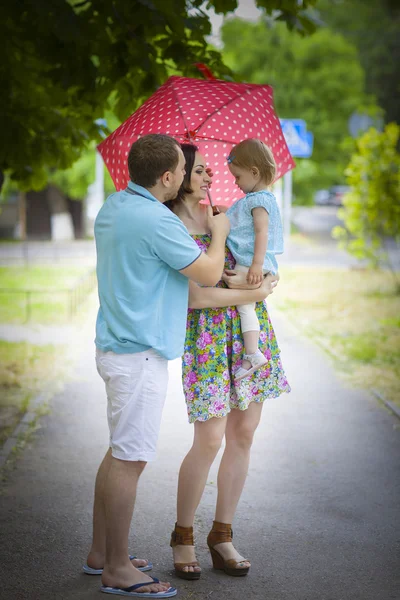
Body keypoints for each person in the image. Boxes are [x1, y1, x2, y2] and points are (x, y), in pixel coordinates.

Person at [84, 133, 231, 598]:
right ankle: (117, 570)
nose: (188, 177)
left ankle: (100, 554)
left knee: (116, 453)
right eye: (183, 172)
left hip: (116, 347)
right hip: (139, 355)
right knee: (130, 459)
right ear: (168, 177)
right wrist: (220, 232)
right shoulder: (156, 221)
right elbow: (208, 273)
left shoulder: (114, 207)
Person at [166, 143, 290, 581]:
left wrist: (265, 279)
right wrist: (254, 293)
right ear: (178, 176)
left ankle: (222, 535)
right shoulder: (173, 224)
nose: (210, 176)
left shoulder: (224, 211)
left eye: (208, 169)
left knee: (244, 433)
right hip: (207, 338)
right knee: (210, 438)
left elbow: (264, 261)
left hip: (249, 333)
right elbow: (196, 298)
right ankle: (183, 536)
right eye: (199, 170)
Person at [225, 138, 284, 381]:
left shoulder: (259, 200)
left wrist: (257, 265)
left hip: (251, 261)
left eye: (237, 177)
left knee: (244, 304)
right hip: (251, 260)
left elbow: (262, 232)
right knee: (245, 304)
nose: (235, 182)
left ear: (254, 172)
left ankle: (252, 353)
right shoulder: (253, 199)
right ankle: (253, 352)